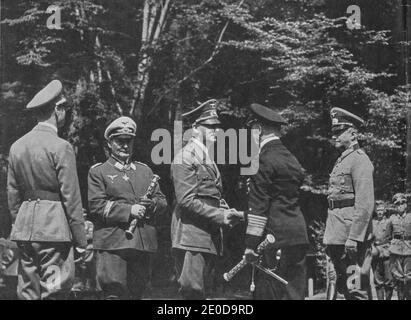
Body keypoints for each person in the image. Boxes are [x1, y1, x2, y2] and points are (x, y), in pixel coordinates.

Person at [7, 80, 88, 300]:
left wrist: (21, 224)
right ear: (57, 110)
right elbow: (71, 198)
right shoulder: (61, 147)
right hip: (53, 232)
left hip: (25, 230)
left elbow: (13, 196)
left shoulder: (17, 146)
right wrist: (81, 242)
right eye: (64, 109)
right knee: (54, 291)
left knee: (27, 293)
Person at [170, 99, 243, 300]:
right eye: (210, 126)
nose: (215, 131)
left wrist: (229, 212)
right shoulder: (185, 157)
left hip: (208, 235)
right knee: (192, 291)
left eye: (217, 127)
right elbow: (186, 200)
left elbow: (212, 195)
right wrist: (220, 216)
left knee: (205, 293)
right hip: (191, 236)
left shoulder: (206, 157)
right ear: (194, 128)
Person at [87, 116, 167, 300]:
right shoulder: (98, 171)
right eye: (120, 141)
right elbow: (96, 205)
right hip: (113, 242)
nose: (125, 145)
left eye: (128, 141)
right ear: (109, 143)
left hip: (141, 243)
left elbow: (162, 201)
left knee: (137, 294)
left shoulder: (145, 171)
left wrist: (152, 205)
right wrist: (129, 211)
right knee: (114, 294)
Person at [243, 103, 309, 300]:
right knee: (294, 295)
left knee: (268, 294)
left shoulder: (261, 159)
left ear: (258, 129)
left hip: (272, 238)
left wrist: (250, 244)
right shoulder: (292, 159)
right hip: (298, 234)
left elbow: (259, 206)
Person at [323, 107, 374, 300]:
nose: (334, 136)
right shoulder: (342, 160)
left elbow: (365, 203)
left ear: (352, 133)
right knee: (340, 285)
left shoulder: (360, 161)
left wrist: (354, 237)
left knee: (356, 288)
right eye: (334, 132)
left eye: (339, 132)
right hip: (337, 235)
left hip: (352, 239)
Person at [386, 193, 411, 300]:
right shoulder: (391, 219)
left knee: (409, 278)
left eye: (402, 203)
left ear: (406, 205)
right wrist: (390, 246)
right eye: (397, 204)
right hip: (396, 251)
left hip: (409, 250)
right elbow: (387, 235)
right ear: (395, 206)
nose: (400, 205)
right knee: (399, 279)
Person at [370, 200, 393, 300]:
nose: (379, 212)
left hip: (386, 252)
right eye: (378, 210)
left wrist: (391, 248)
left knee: (389, 279)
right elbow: (368, 237)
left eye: (381, 210)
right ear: (375, 211)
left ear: (384, 211)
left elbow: (393, 236)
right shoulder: (372, 222)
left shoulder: (389, 222)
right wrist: (371, 247)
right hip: (375, 251)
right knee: (377, 280)